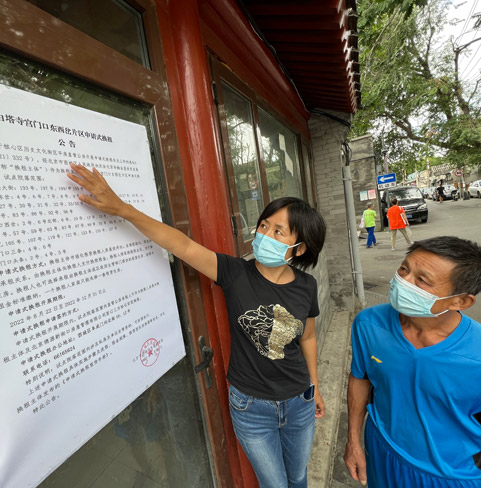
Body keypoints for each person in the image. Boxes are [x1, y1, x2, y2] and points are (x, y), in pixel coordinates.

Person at [67, 164, 327, 488]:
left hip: (299, 400)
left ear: (298, 248)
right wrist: (122, 209)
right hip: (251, 406)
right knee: (275, 485)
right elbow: (183, 246)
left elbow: (309, 336)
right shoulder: (235, 273)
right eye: (263, 225)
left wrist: (314, 386)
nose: (264, 235)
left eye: (278, 231)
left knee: (299, 477)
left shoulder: (306, 286)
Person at [344, 236, 481, 488]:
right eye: (404, 269)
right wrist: (353, 440)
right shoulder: (369, 324)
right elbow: (361, 377)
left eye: (422, 280)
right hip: (382, 459)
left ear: (461, 301)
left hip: (451, 478)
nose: (403, 282)